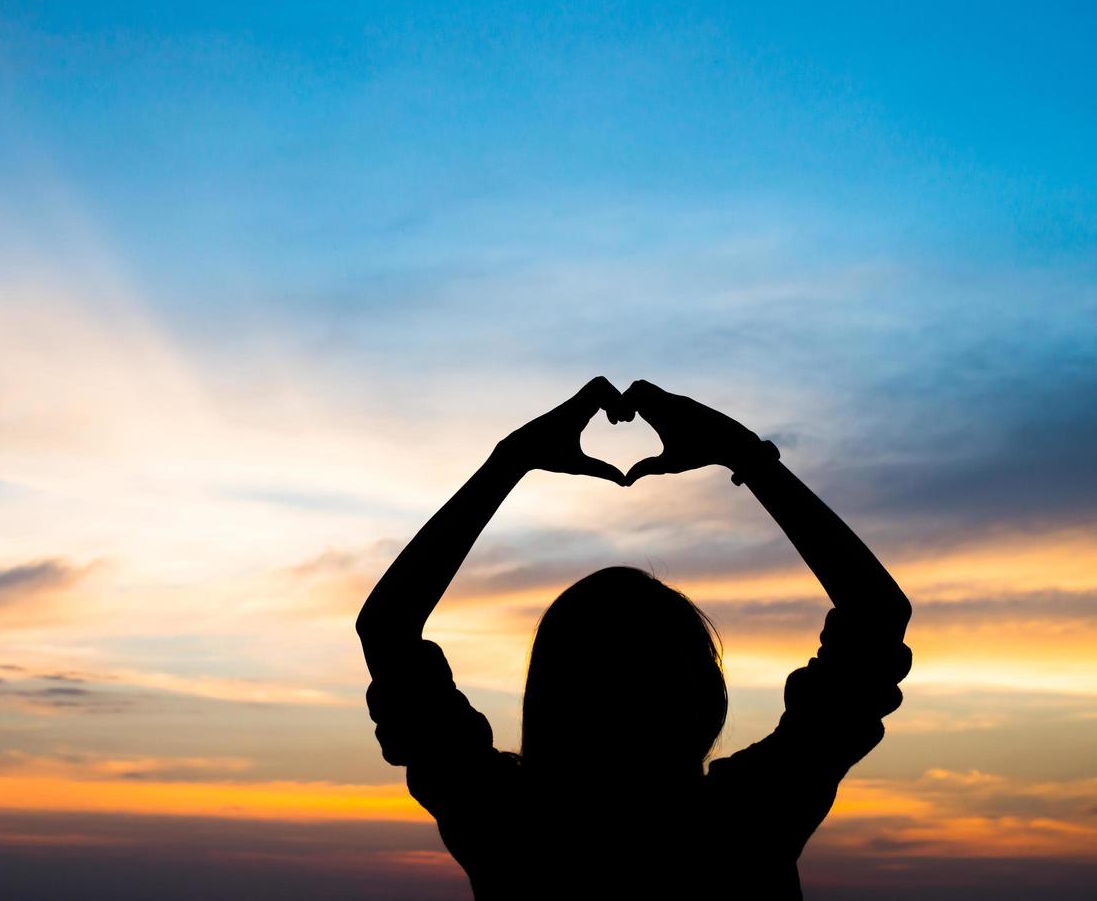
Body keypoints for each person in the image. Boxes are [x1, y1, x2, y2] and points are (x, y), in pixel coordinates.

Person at [356, 377, 913, 900]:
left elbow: (387, 628)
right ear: (703, 695)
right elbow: (876, 616)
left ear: (551, 694)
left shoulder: (504, 821)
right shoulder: (749, 817)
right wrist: (743, 455)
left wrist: (511, 461)